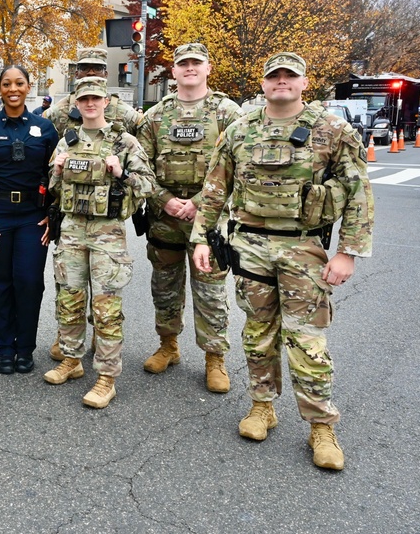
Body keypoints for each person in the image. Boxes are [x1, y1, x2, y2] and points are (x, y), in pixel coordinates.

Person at [192, 52, 374, 471]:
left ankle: (321, 427)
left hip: (303, 247)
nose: (281, 82)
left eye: (289, 76)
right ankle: (262, 406)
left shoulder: (333, 130)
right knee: (258, 332)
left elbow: (358, 194)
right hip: (251, 245)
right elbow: (215, 189)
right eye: (274, 76)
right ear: (264, 81)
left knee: (307, 340)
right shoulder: (240, 130)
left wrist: (348, 252)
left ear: (303, 82)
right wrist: (202, 238)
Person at [43, 78, 155, 408]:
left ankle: (107, 378)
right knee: (70, 299)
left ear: (107, 101)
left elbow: (147, 185)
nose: (90, 104)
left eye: (95, 98)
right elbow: (51, 187)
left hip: (108, 233)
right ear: (76, 104)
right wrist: (58, 171)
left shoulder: (125, 142)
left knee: (106, 309)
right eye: (83, 99)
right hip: (73, 229)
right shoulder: (68, 140)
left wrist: (121, 173)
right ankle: (72, 360)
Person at [136, 43, 241, 392]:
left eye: (197, 63)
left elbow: (238, 169)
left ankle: (215, 358)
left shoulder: (228, 113)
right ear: (175, 71)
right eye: (183, 64)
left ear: (208, 68)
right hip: (164, 217)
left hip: (209, 218)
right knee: (164, 286)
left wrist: (199, 201)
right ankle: (168, 345)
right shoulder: (155, 116)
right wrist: (164, 200)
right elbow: (141, 167)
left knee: (210, 290)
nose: (190, 68)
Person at [43, 47, 140, 361]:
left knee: (105, 291)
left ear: (106, 77)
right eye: (84, 69)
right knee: (69, 286)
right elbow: (44, 150)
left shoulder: (125, 117)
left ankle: (101, 337)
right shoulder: (59, 112)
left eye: (96, 69)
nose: (90, 74)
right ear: (76, 73)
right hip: (71, 211)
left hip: (106, 214)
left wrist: (125, 182)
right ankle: (69, 340)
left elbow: (146, 153)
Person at [0, 65, 59, 375]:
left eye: (19, 83)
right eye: (6, 84)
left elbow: (58, 176)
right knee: (0, 283)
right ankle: (4, 348)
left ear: (29, 87)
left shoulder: (45, 129)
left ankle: (24, 348)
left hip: (32, 217)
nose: (13, 88)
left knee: (29, 283)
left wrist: (51, 217)